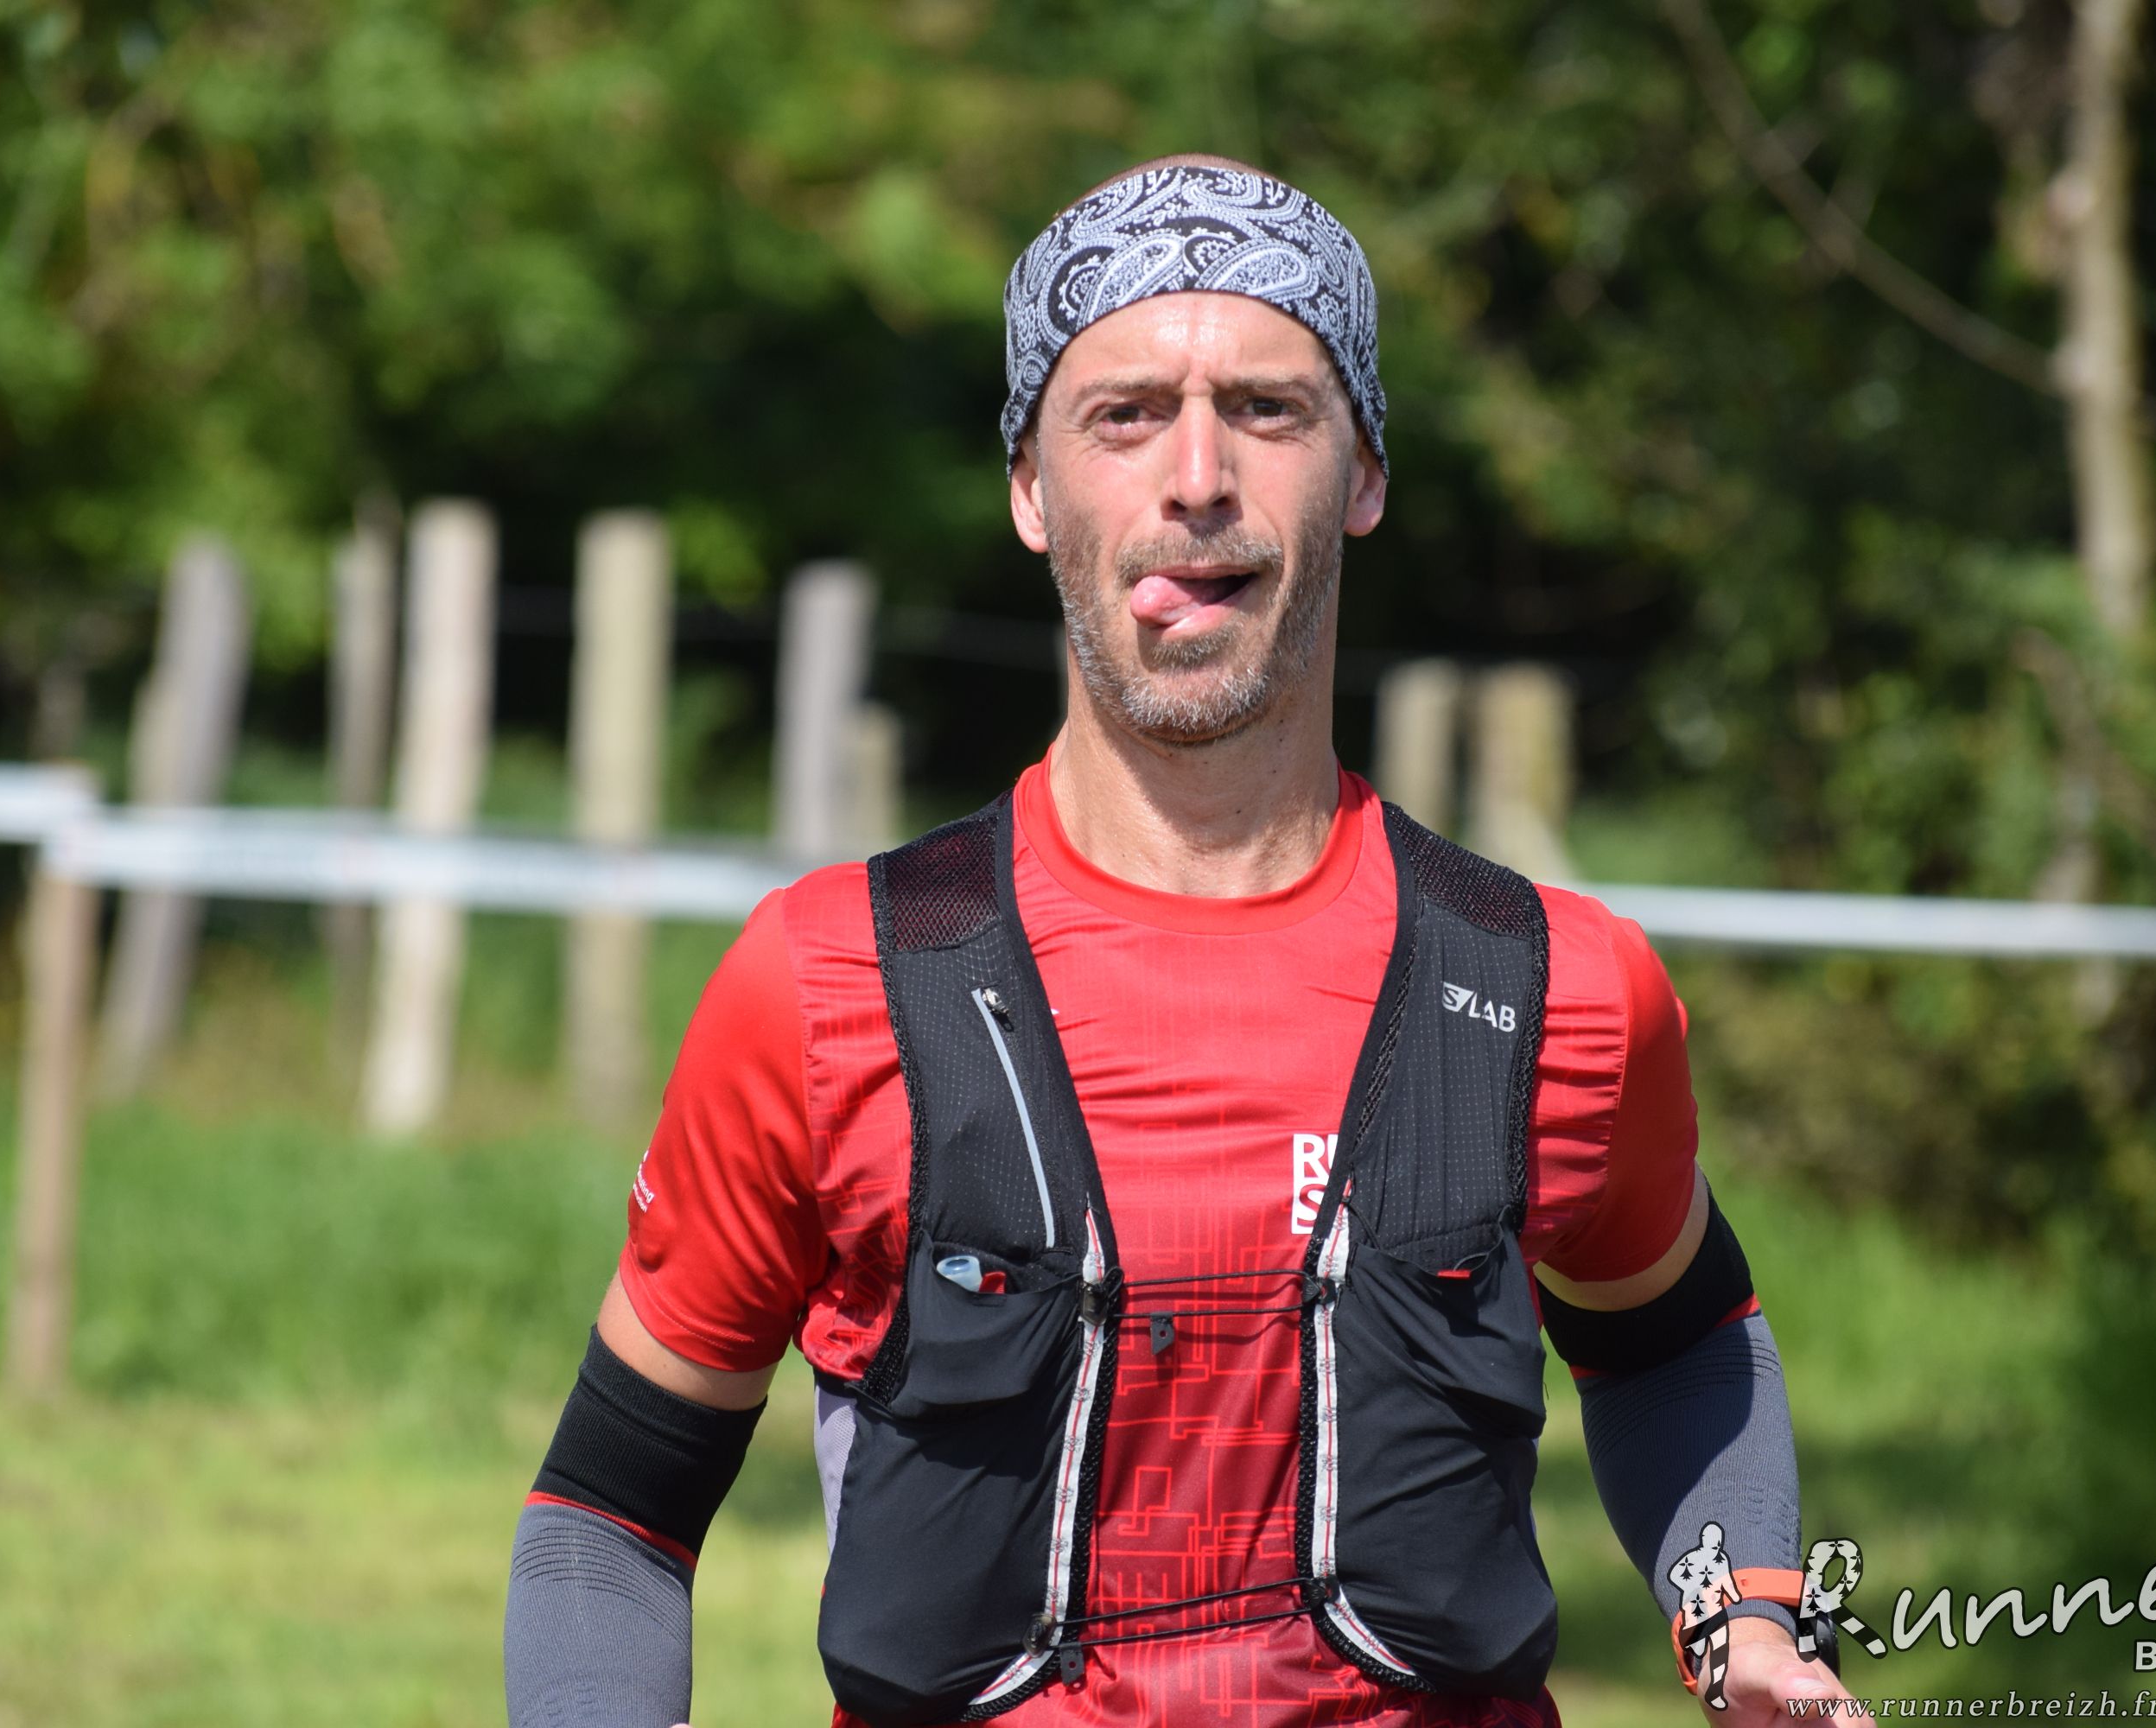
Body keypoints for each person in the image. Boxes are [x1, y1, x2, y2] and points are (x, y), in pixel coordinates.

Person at [504, 156, 1861, 1728]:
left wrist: (1750, 1618)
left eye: (1270, 410)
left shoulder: (1558, 988)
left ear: (1364, 472)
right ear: (1032, 489)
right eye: (1126, 414)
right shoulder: (831, 986)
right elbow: (609, 1518)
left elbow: (1682, 1348)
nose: (1197, 476)